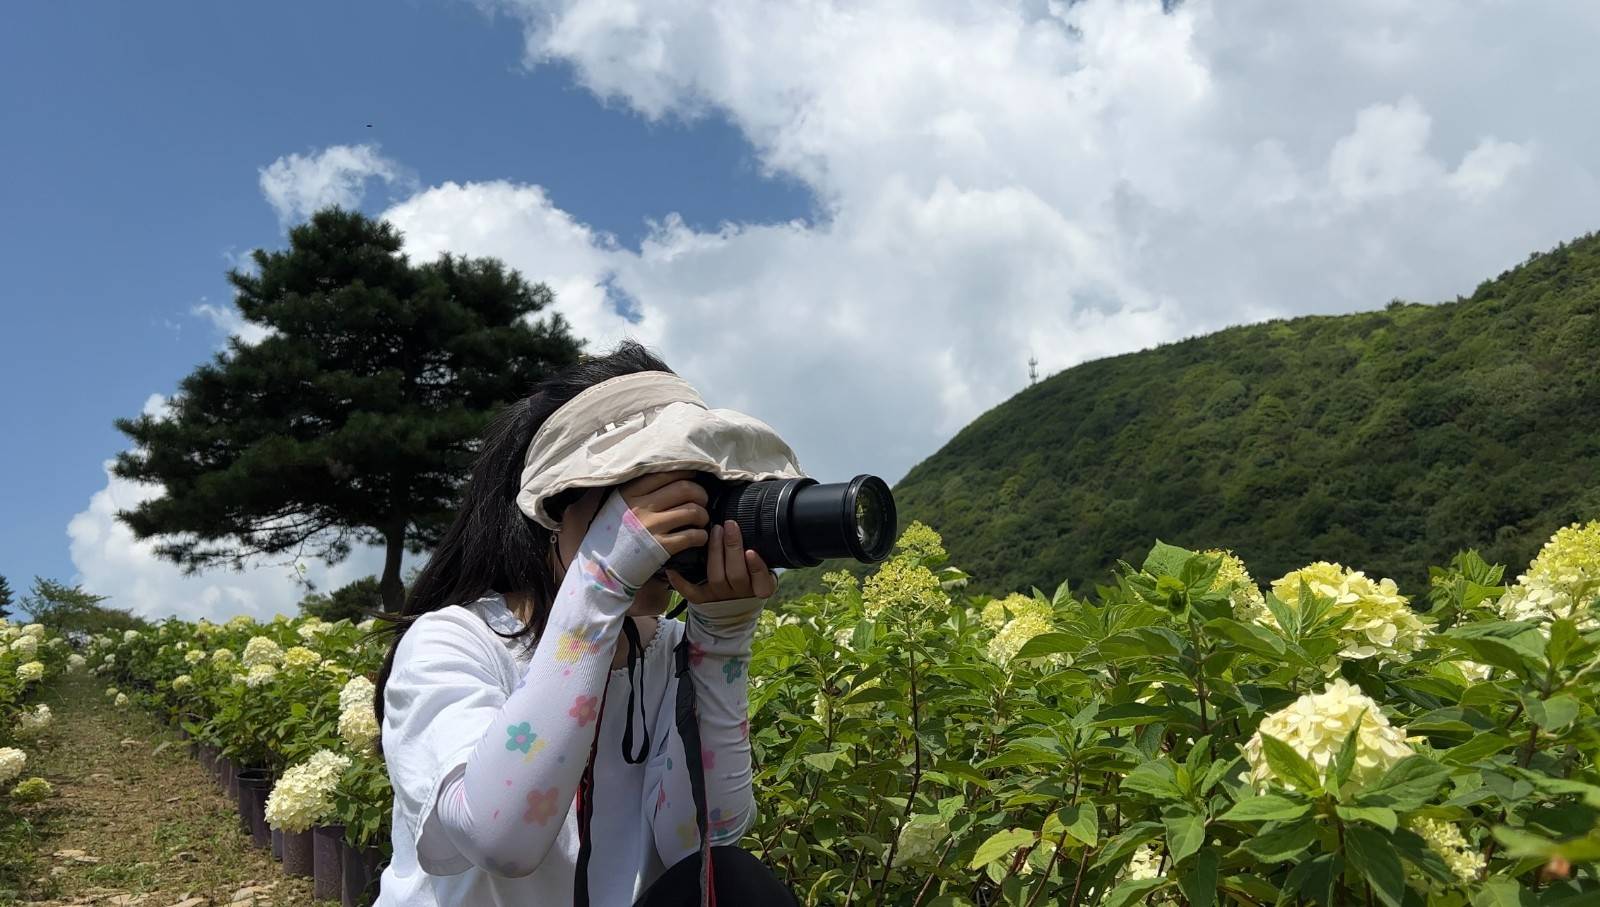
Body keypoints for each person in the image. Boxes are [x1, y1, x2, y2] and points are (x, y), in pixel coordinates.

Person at [372, 342, 800, 906]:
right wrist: (600, 583)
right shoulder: (456, 640)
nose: (681, 529)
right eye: (654, 497)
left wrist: (721, 640)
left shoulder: (667, 648)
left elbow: (697, 842)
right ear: (556, 509)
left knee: (740, 882)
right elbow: (499, 839)